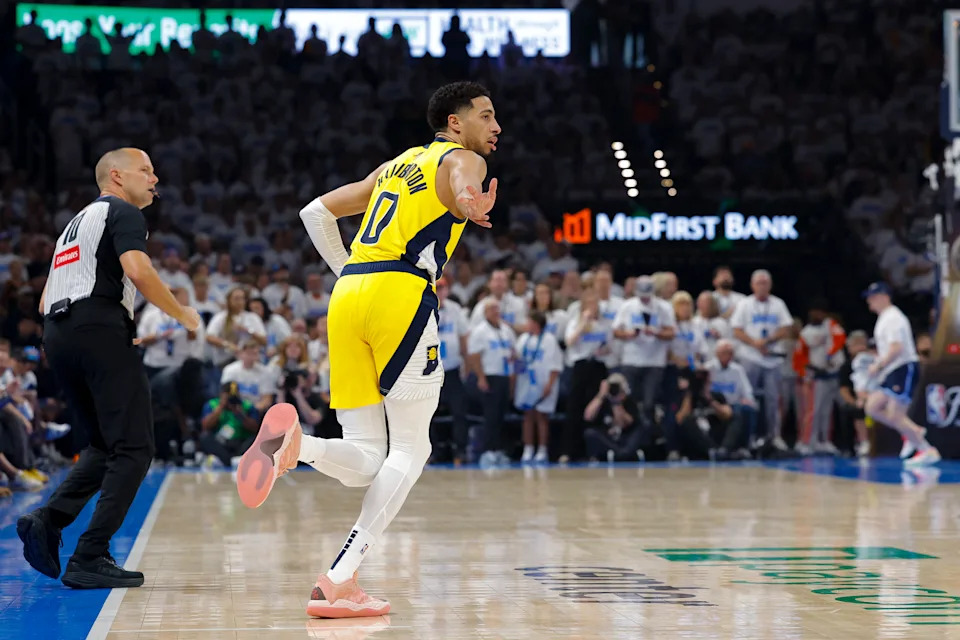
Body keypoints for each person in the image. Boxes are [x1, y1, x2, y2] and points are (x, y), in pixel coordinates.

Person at [235, 81, 500, 617]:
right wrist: (467, 200)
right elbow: (461, 178)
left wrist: (351, 273)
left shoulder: (395, 166)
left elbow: (314, 212)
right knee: (412, 449)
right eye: (486, 115)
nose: (496, 127)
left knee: (367, 459)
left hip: (349, 295)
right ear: (454, 123)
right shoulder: (464, 159)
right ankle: (340, 577)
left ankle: (296, 448)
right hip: (399, 297)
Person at [18, 148, 201, 589]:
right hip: (95, 328)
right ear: (117, 177)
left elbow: (44, 301)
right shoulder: (123, 212)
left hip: (59, 336)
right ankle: (90, 554)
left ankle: (49, 518)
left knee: (104, 444)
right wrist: (182, 314)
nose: (155, 179)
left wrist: (100, 331)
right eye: (146, 170)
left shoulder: (74, 225)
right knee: (135, 447)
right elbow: (138, 270)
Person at [862, 282, 940, 466]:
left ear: (884, 297)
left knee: (896, 415)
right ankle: (912, 431)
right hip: (892, 371)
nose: (869, 301)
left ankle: (926, 449)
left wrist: (878, 365)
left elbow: (896, 348)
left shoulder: (893, 318)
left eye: (873, 297)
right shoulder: (884, 318)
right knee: (872, 407)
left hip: (902, 369)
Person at [514, 311, 563, 463]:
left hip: (543, 382)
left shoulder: (549, 340)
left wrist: (550, 384)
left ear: (536, 323)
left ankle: (542, 449)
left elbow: (556, 365)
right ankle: (528, 448)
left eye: (529, 321)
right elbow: (517, 361)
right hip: (526, 383)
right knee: (528, 415)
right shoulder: (523, 339)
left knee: (542, 416)